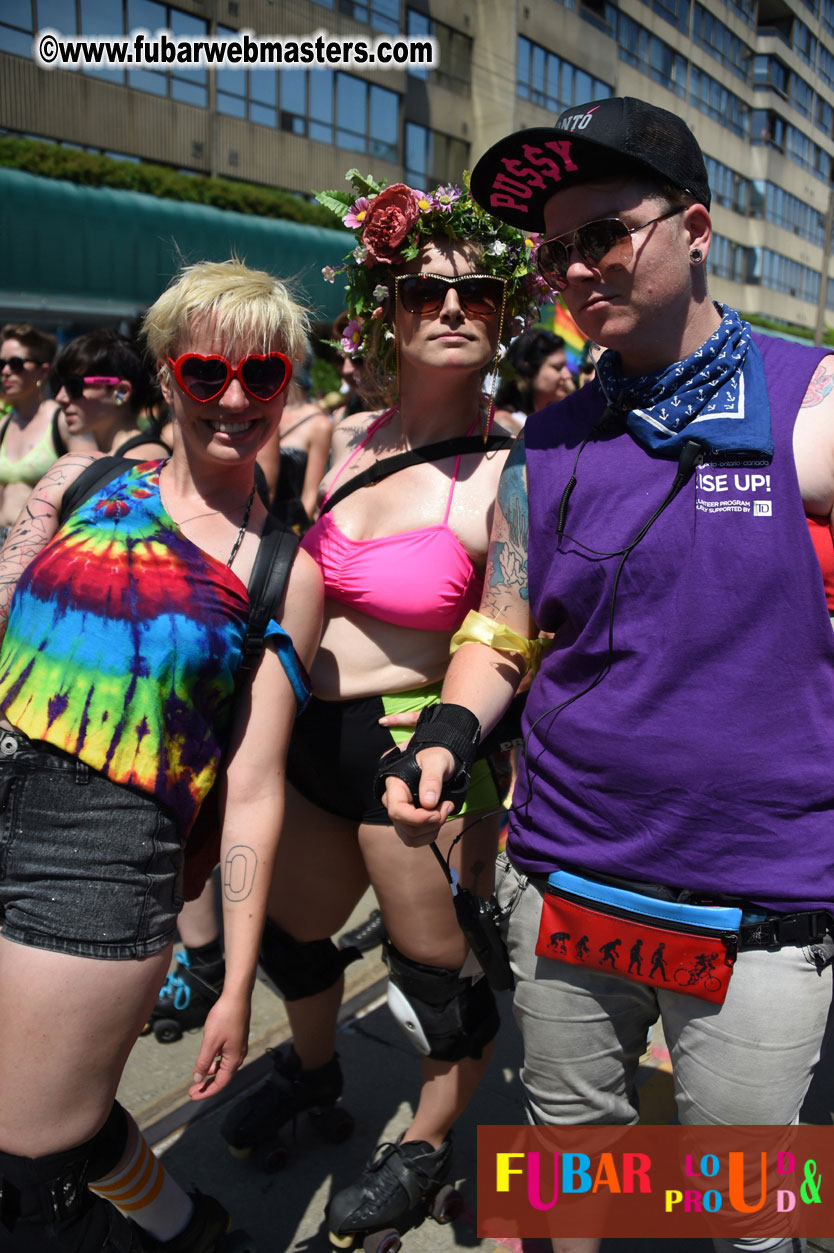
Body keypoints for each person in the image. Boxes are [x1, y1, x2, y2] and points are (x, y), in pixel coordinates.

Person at [383, 96, 834, 1253]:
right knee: (569, 1155)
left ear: (694, 227)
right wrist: (446, 729)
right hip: (568, 878)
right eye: (554, 252)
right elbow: (504, 624)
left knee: (747, 1203)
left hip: (762, 905)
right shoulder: (551, 442)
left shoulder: (812, 407)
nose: (578, 268)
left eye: (608, 233)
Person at [220, 174, 546, 1234]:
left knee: (438, 983)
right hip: (310, 738)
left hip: (418, 755)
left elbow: (509, 633)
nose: (451, 310)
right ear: (385, 316)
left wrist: (457, 751)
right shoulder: (350, 436)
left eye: (476, 296)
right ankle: (317, 1077)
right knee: (290, 937)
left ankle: (427, 1135)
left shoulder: (515, 468)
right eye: (423, 294)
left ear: (502, 319)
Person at [0, 258, 323, 1250]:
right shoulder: (81, 481)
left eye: (262, 375)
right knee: (49, 1105)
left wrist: (229, 983)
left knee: (28, 1152)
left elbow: (257, 785)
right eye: (205, 370)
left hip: (98, 855)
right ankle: (188, 1223)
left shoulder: (284, 567)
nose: (233, 398)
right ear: (165, 373)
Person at [0, 323, 94, 531]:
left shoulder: (62, 421)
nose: (6, 372)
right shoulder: (4, 426)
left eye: (16, 364)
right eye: (2, 364)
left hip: (39, 545)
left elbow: (90, 486)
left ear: (43, 371)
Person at [50, 329, 171, 461]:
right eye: (58, 385)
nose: (60, 398)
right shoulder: (113, 455)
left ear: (121, 392)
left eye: (73, 386)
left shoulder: (140, 459)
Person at [256, 347, 332, 532]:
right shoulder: (258, 412)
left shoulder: (318, 424)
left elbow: (310, 497)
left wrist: (288, 539)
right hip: (252, 519)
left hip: (289, 529)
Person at [494, 328, 575, 433]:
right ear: (528, 371)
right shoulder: (505, 423)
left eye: (565, 366)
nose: (567, 375)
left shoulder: (554, 421)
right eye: (558, 367)